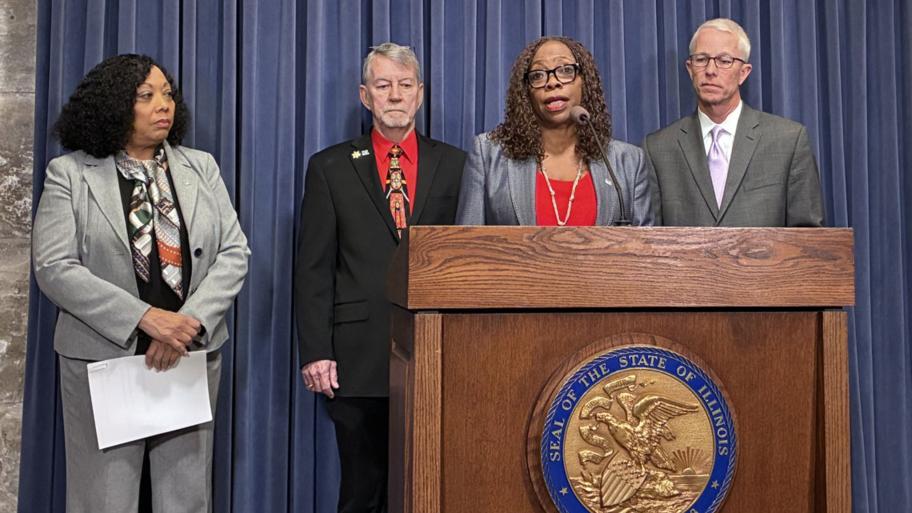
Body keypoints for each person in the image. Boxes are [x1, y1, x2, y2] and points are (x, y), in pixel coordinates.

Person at [32, 54, 250, 513]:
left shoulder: (201, 168)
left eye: (167, 93)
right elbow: (55, 266)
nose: (162, 105)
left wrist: (184, 325)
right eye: (146, 96)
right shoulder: (70, 174)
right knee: (103, 500)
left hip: (186, 354)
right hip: (103, 358)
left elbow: (233, 253)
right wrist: (147, 319)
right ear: (114, 106)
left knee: (186, 499)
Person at [294, 42, 465, 513]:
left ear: (421, 94)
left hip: (435, 353)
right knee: (362, 492)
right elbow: (312, 267)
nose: (395, 95)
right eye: (384, 85)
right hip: (355, 359)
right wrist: (317, 351)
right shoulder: (329, 167)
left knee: (426, 489)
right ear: (365, 96)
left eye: (405, 85)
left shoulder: (455, 165)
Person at [643, 18, 824, 226]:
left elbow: (808, 239)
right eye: (701, 59)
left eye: (724, 60)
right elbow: (651, 243)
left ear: (744, 73)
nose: (710, 70)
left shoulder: (788, 141)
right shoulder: (658, 148)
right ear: (690, 68)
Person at [456, 36, 653, 226]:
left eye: (566, 70)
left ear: (585, 82)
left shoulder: (629, 162)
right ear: (526, 92)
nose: (552, 82)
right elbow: (465, 248)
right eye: (538, 75)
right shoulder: (488, 155)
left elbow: (645, 251)